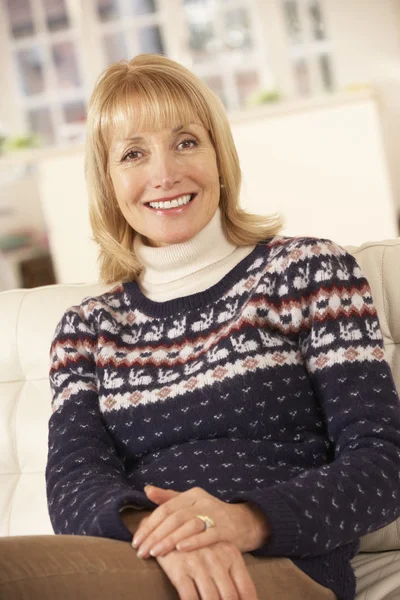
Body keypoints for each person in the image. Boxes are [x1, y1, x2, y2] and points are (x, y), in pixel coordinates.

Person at [1, 53, 400, 600]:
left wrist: (239, 522)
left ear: (219, 155)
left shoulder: (307, 271)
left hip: (281, 566)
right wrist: (163, 535)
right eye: (134, 153)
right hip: (142, 560)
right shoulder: (88, 330)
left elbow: (383, 460)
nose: (164, 174)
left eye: (186, 141)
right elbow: (72, 482)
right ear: (108, 179)